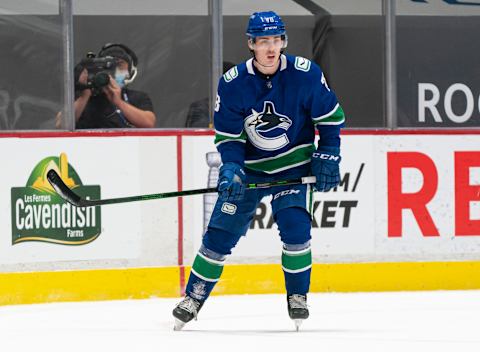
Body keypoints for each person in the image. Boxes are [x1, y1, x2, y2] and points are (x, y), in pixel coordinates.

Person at [173, 11, 345, 331]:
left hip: (293, 167)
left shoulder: (306, 74)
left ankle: (297, 296)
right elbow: (229, 137)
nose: (270, 48)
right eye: (263, 41)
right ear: (251, 44)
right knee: (219, 236)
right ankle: (193, 297)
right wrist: (232, 169)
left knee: (296, 229)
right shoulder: (233, 83)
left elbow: (331, 118)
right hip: (250, 171)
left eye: (276, 40)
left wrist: (329, 152)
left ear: (284, 42)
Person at [74, 43, 156, 129]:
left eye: (120, 65)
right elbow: (61, 125)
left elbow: (149, 123)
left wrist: (119, 102)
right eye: (109, 67)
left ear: (130, 71)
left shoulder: (138, 97)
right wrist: (85, 95)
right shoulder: (84, 95)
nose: (114, 71)